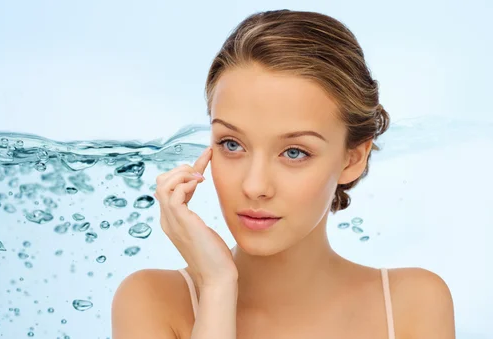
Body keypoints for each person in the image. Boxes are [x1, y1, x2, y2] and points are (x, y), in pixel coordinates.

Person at [112, 9, 455, 339]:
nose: (254, 186)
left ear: (352, 158)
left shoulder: (413, 303)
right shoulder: (152, 301)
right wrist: (217, 286)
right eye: (232, 145)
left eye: (294, 152)